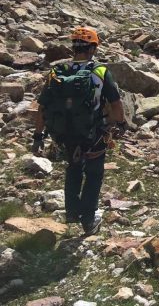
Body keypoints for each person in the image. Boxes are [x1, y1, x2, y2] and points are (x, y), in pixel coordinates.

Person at [33, 27, 126, 236]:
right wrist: (120, 124)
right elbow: (116, 104)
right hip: (93, 133)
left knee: (73, 168)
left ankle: (73, 213)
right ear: (92, 48)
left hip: (65, 133)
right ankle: (89, 219)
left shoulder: (57, 72)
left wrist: (38, 136)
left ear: (73, 46)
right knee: (94, 174)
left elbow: (42, 108)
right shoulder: (100, 71)